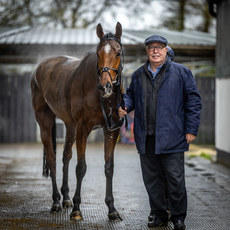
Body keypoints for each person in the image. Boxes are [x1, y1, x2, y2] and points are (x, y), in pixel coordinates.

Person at [118, 35, 202, 230]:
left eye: (159, 47)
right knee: (152, 180)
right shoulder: (139, 75)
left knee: (175, 179)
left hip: (173, 136)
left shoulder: (182, 73)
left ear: (166, 50)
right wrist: (125, 106)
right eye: (151, 48)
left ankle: (178, 217)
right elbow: (130, 95)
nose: (155, 51)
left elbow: (193, 102)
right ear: (147, 51)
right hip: (146, 137)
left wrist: (191, 129)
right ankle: (158, 215)